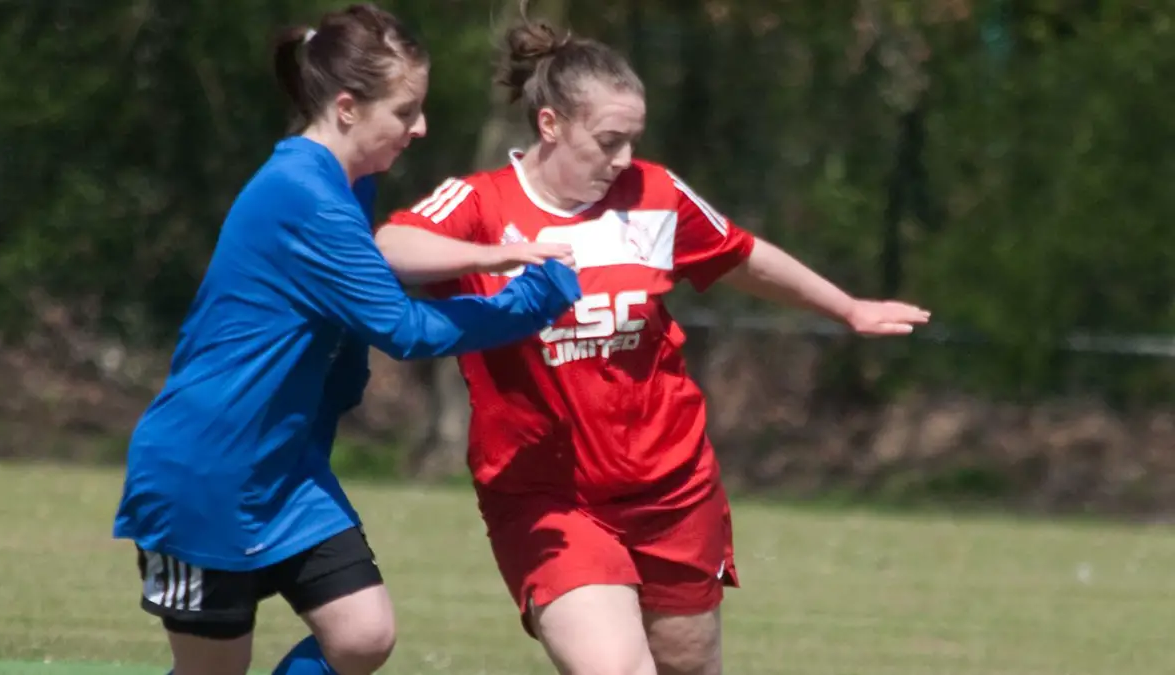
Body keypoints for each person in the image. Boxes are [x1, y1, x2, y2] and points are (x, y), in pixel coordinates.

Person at [372, 6, 932, 675]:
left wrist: (848, 308)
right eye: (609, 139)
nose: (624, 157)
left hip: (671, 486)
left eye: (632, 138)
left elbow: (742, 255)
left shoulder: (655, 195)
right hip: (547, 498)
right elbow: (389, 246)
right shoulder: (481, 203)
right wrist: (497, 256)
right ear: (550, 125)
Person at [110, 5, 582, 675]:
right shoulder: (302, 194)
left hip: (285, 469)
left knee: (362, 633)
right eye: (405, 110)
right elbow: (403, 329)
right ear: (347, 106)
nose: (420, 128)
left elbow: (371, 264)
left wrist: (494, 255)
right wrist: (527, 303)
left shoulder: (349, 182)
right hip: (207, 471)